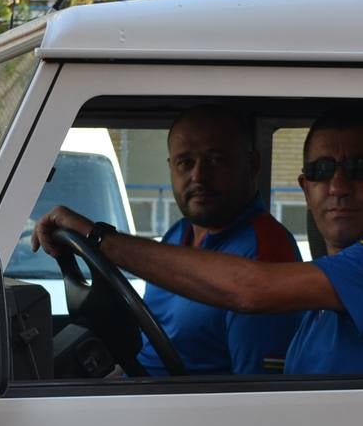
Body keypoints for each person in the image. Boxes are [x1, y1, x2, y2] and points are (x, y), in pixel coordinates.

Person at [34, 105, 363, 376]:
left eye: (359, 169)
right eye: (322, 171)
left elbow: (251, 292)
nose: (337, 186)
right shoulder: (330, 273)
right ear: (305, 187)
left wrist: (99, 237)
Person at [124, 104, 303, 375]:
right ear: (171, 168)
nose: (198, 176)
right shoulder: (177, 234)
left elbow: (259, 393)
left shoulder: (265, 251)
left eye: (216, 159)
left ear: (252, 165)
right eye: (186, 163)